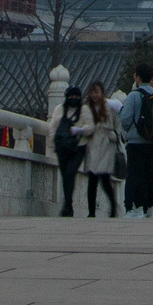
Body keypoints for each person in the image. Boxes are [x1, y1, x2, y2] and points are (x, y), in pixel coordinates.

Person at [121, 59, 153, 217]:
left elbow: (125, 120)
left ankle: (134, 208)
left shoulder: (133, 96)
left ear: (138, 78)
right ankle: (151, 208)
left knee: (134, 174)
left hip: (136, 141)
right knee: (150, 173)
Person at [77, 81, 123, 216]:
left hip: (107, 145)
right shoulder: (87, 108)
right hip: (92, 144)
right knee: (92, 180)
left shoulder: (110, 108)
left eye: (96, 92)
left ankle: (113, 208)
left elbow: (118, 125)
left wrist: (115, 134)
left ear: (102, 92)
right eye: (91, 92)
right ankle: (91, 212)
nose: (94, 95)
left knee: (105, 180)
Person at [53, 83, 88, 217]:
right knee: (65, 176)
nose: (73, 98)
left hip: (78, 148)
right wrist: (54, 145)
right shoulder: (59, 110)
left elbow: (91, 127)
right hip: (62, 148)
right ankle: (68, 204)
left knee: (70, 173)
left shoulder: (84, 110)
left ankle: (68, 205)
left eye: (76, 96)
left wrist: (78, 130)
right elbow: (53, 127)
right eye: (71, 95)